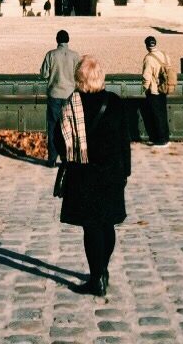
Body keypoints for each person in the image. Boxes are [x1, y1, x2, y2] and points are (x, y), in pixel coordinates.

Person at [54, 56, 130, 297]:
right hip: (111, 173)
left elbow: (58, 140)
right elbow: (124, 141)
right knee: (107, 224)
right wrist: (125, 171)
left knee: (92, 227)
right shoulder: (115, 102)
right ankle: (102, 270)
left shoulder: (71, 104)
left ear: (79, 79)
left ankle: (96, 277)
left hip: (83, 174)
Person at [40, 30, 80, 168]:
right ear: (68, 40)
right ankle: (67, 157)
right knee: (69, 127)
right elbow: (79, 76)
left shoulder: (51, 54)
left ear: (57, 40)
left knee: (52, 127)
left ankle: (51, 159)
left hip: (54, 94)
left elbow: (44, 74)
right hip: (69, 94)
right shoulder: (75, 56)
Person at [141, 35, 170, 147]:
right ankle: (166, 138)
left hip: (154, 90)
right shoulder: (164, 54)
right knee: (163, 114)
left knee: (156, 115)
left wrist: (145, 88)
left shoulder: (148, 58)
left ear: (147, 46)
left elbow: (146, 76)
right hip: (164, 88)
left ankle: (161, 140)